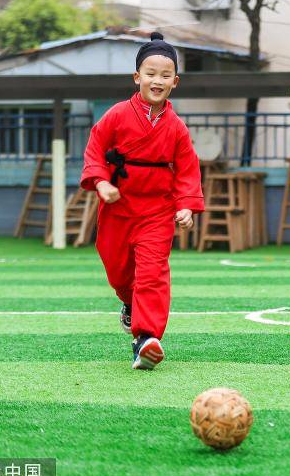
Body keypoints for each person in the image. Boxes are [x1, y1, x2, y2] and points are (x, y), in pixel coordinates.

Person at [80, 32, 204, 370]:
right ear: (137, 78)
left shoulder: (177, 128)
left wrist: (186, 204)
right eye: (150, 73)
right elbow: (95, 148)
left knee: (152, 273)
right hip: (118, 207)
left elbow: (188, 168)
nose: (157, 80)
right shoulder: (117, 115)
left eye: (165, 75)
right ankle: (129, 304)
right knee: (119, 272)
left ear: (175, 82)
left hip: (156, 211)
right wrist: (101, 182)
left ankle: (146, 338)